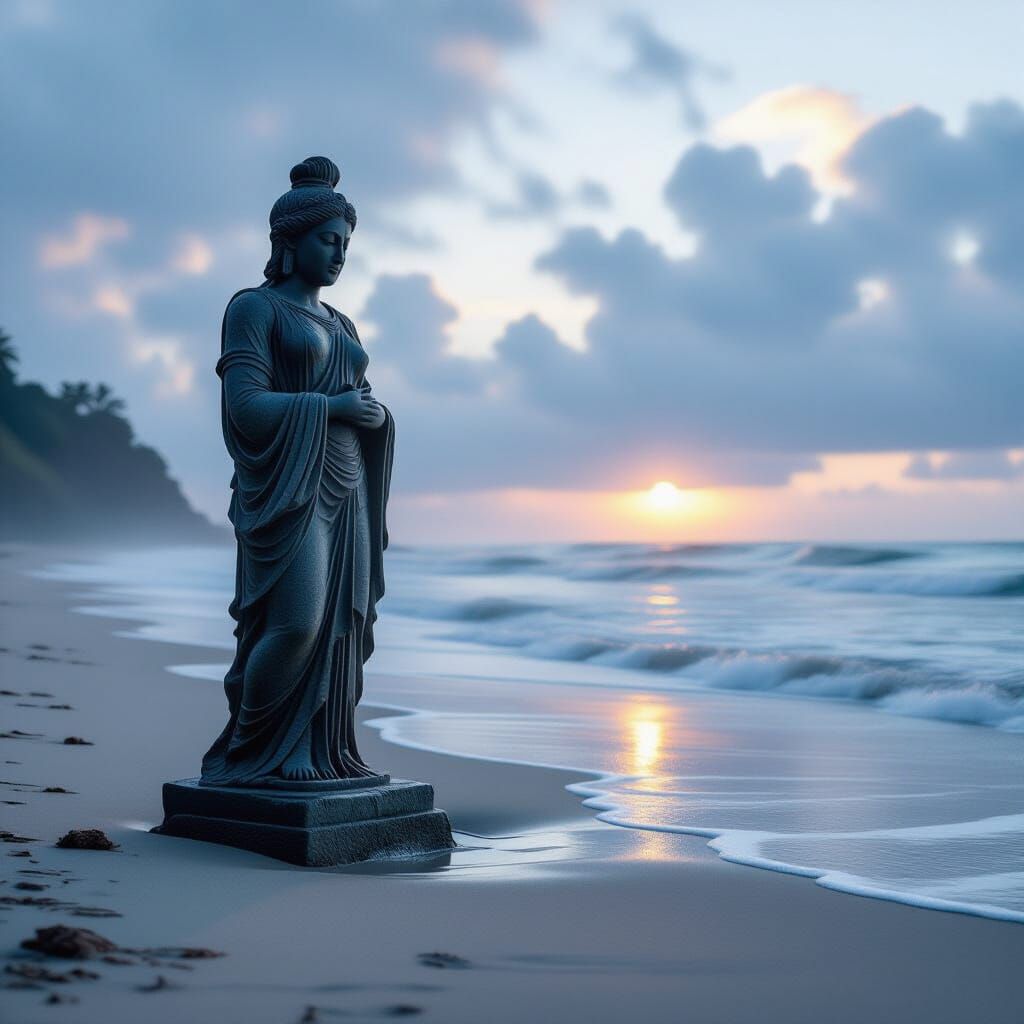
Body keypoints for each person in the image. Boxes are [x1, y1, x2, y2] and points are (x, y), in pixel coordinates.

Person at [200, 156, 393, 785]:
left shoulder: (341, 323)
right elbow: (246, 409)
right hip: (287, 488)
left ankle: (316, 750)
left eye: (345, 244)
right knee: (298, 623)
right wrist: (330, 407)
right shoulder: (254, 309)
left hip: (348, 485)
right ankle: (252, 750)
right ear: (289, 242)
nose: (338, 255)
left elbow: (358, 401)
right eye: (327, 241)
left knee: (342, 626)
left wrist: (373, 417)